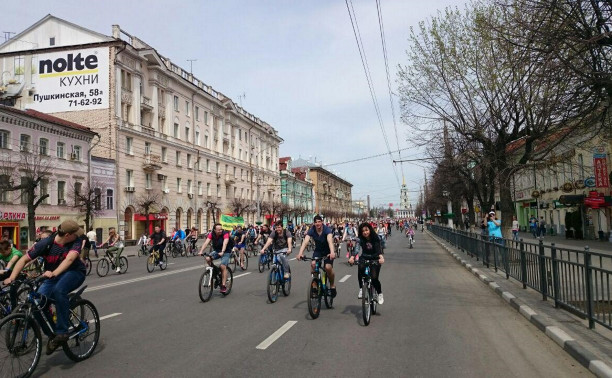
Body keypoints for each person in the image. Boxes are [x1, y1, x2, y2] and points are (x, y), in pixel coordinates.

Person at [4, 220, 86, 354]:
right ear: (67, 235)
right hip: (52, 276)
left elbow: (70, 259)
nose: (78, 235)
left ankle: (62, 332)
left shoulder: (76, 241)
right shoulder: (46, 243)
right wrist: (12, 277)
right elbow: (24, 259)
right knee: (37, 303)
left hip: (74, 272)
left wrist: (53, 273)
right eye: (75, 233)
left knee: (59, 291)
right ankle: (53, 335)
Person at [297, 215, 337, 297]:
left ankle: (332, 285)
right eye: (316, 222)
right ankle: (315, 286)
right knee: (313, 265)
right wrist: (300, 253)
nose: (317, 224)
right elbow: (305, 242)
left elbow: (330, 241)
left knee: (328, 267)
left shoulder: (327, 229)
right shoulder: (312, 230)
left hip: (328, 251)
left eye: (319, 222)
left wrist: (332, 252)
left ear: (322, 222)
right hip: (318, 251)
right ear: (314, 223)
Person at [349, 222, 385, 304]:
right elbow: (357, 248)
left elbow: (378, 248)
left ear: (370, 230)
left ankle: (379, 293)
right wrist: (352, 256)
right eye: (363, 231)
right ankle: (361, 288)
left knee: (374, 278)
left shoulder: (375, 237)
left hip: (375, 258)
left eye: (366, 230)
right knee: (360, 268)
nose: (365, 232)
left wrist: (380, 257)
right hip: (365, 257)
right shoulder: (360, 239)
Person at [198, 223, 234, 294]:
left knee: (223, 266)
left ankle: (223, 286)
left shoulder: (225, 233)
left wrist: (223, 251)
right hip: (217, 250)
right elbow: (206, 243)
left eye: (221, 229)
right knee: (208, 258)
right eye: (219, 230)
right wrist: (201, 251)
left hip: (226, 251)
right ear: (214, 230)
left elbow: (225, 243)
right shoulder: (211, 234)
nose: (220, 231)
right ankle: (215, 272)